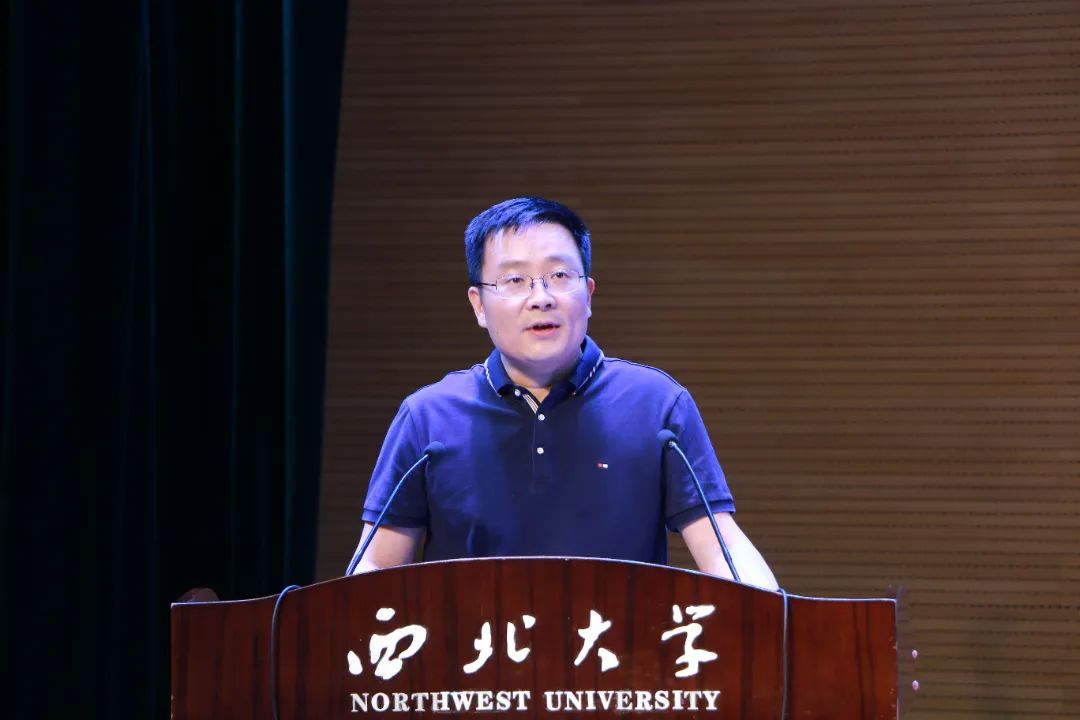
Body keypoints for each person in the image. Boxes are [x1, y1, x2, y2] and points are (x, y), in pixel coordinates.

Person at [350, 197, 778, 590]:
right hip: (473, 650)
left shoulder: (657, 405)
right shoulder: (428, 416)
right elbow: (376, 567)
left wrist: (775, 615)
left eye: (559, 276)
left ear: (588, 294)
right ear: (479, 305)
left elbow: (723, 549)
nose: (541, 298)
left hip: (616, 648)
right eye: (514, 280)